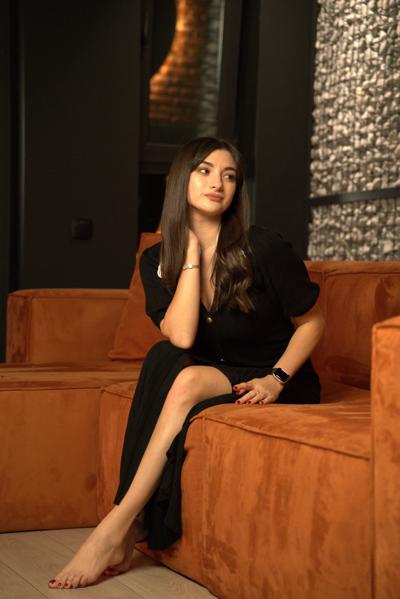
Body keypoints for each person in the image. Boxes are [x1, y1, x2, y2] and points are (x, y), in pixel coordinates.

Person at [48, 137, 325, 590]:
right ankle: (124, 526)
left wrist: (276, 379)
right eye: (205, 171)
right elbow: (181, 336)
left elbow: (313, 322)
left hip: (277, 374)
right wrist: (193, 254)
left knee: (184, 376)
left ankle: (115, 528)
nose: (218, 183)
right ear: (182, 180)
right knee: (167, 358)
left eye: (229, 176)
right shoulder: (157, 259)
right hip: (219, 367)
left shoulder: (263, 246)